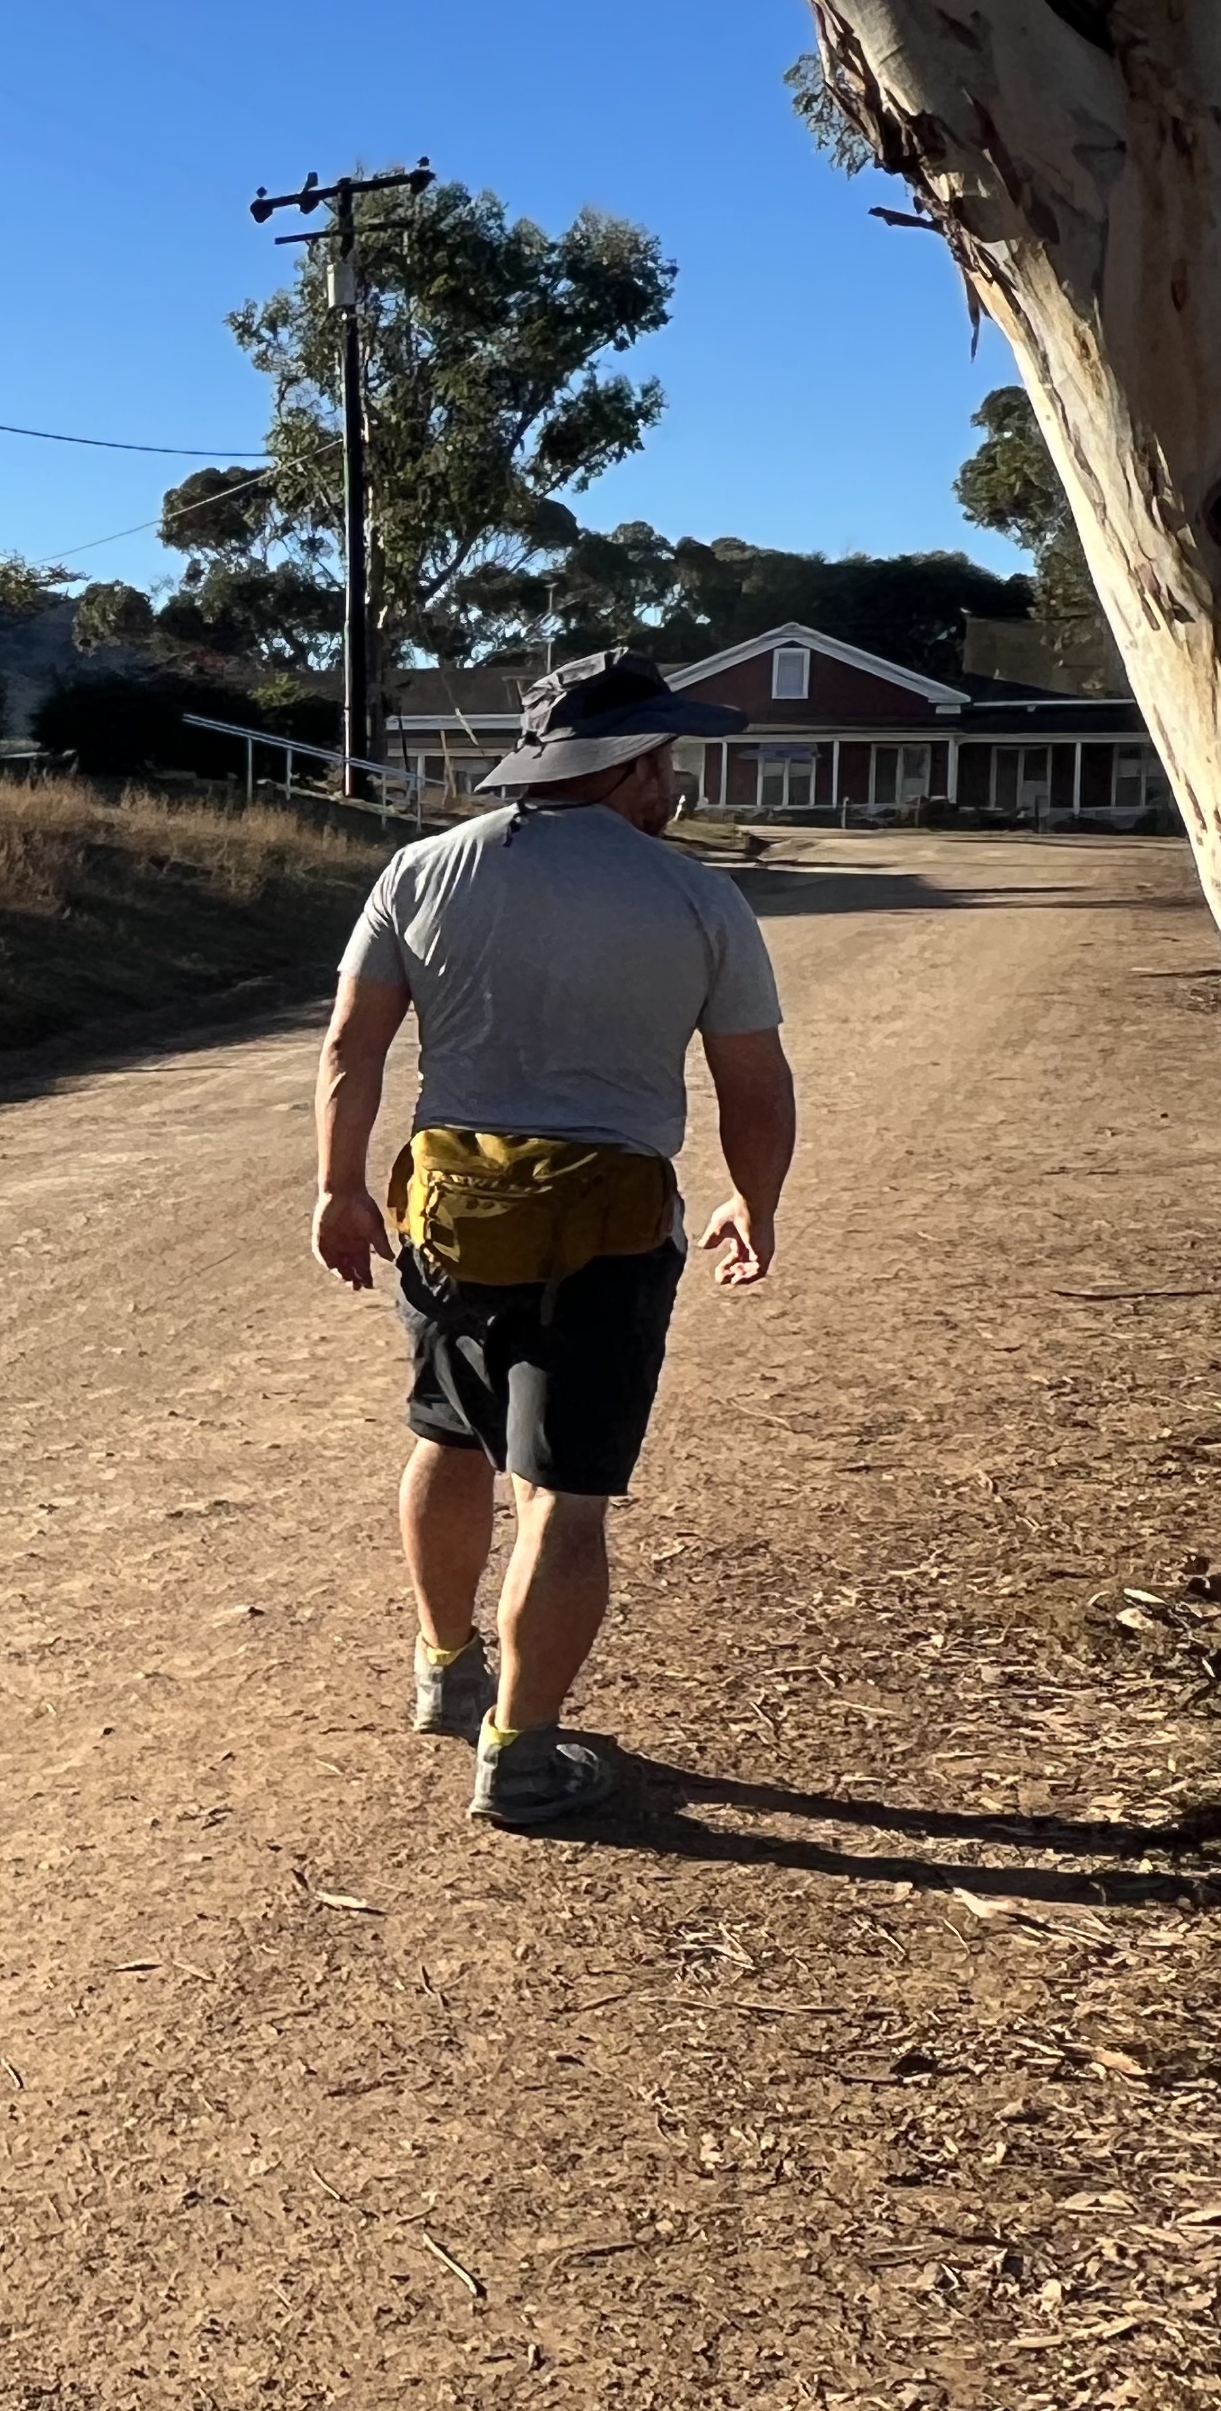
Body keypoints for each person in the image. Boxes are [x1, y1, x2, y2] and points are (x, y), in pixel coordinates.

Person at [311, 650, 799, 1830]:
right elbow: (755, 1084)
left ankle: (445, 1667)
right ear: (630, 767)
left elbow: (352, 1048)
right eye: (664, 760)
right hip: (607, 1237)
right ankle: (521, 1754)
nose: (672, 782)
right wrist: (757, 1201)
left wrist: (338, 1188)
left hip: (449, 1217)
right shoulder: (696, 897)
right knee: (565, 1500)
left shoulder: (422, 869)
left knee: (447, 1437)